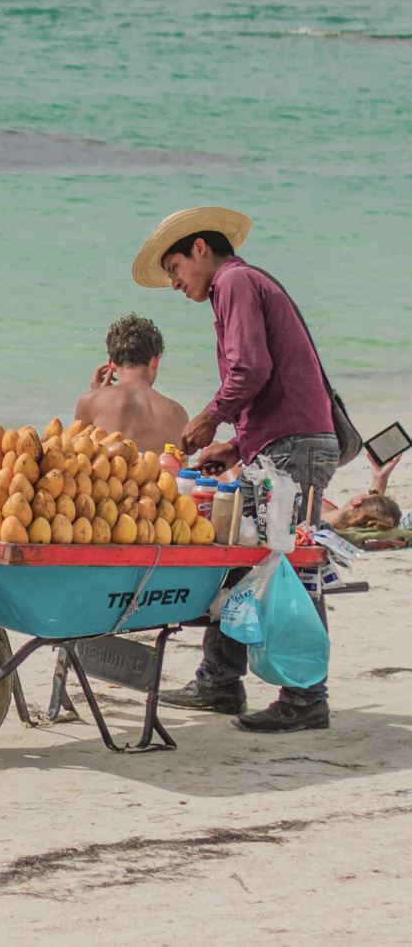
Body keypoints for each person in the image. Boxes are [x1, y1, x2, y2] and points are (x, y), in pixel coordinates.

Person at [133, 207, 338, 732]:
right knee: (243, 560)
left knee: (292, 569)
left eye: (175, 268)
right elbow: (266, 380)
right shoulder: (238, 285)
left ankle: (305, 695)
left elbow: (251, 368)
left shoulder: (235, 281)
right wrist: (237, 444)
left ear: (201, 248)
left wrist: (210, 418)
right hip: (280, 441)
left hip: (294, 446)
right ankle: (221, 682)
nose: (176, 284)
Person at [73, 314, 189, 452]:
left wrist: (96, 394)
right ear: (156, 361)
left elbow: (77, 459)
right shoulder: (178, 414)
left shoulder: (91, 401)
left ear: (111, 363)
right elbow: (181, 467)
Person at [322, 449, 401, 531]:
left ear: (357, 501)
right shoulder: (332, 535)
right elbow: (375, 516)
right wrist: (380, 478)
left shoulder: (311, 510)